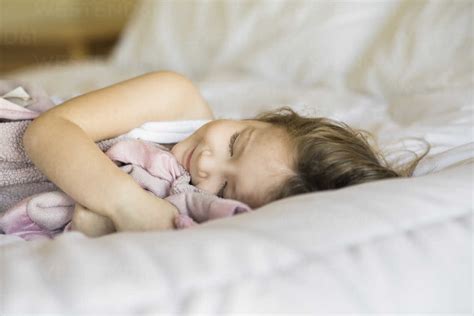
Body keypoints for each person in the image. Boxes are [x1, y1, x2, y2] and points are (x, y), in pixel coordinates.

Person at [22, 71, 427, 237]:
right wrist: (125, 204)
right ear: (262, 118)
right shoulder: (174, 98)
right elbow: (47, 133)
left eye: (227, 184)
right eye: (235, 143)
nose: (206, 163)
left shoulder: (187, 208)